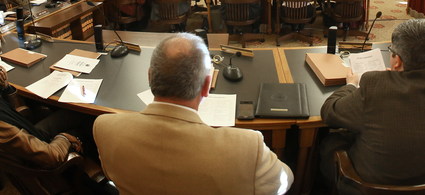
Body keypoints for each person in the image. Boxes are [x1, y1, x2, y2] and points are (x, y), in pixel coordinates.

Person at [94, 33, 292, 194]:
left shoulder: (104, 128)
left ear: (149, 76)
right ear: (207, 86)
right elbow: (284, 181)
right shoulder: (248, 147)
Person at [319, 18, 425, 190]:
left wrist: (350, 85)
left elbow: (329, 112)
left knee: (328, 143)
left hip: (374, 189)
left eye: (391, 52)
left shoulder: (374, 87)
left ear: (398, 61)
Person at [0, 31, 96, 173]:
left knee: (74, 112)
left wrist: (5, 89)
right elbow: (51, 157)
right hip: (46, 156)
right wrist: (63, 138)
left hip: (29, 134)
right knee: (86, 119)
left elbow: (8, 116)